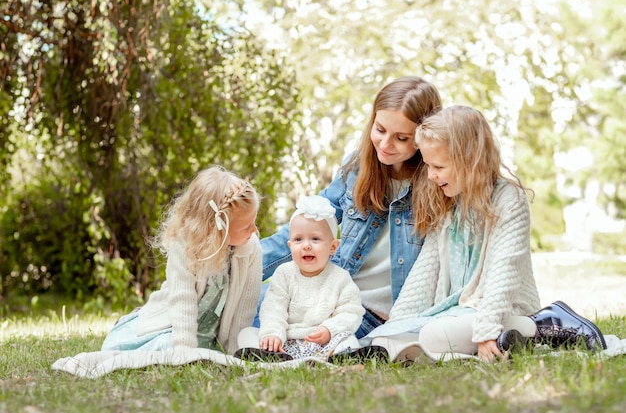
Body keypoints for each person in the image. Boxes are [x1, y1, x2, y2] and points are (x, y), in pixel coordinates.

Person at [359, 105, 606, 363]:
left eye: (439, 167)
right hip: (454, 312)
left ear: (469, 160)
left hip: (500, 309)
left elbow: (504, 271)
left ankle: (542, 324)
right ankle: (506, 338)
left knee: (435, 337)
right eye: (429, 166)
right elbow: (426, 270)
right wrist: (397, 323)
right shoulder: (447, 201)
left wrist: (487, 331)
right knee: (385, 341)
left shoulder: (508, 199)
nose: (431, 176)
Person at [259, 76, 443, 339]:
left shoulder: (438, 183)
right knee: (255, 307)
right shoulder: (358, 169)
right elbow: (309, 223)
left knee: (269, 329)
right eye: (380, 130)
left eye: (401, 138)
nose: (386, 144)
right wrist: (242, 264)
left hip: (368, 314)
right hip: (325, 291)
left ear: (423, 137)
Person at [100, 166, 262, 354]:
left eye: (254, 221)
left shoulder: (251, 249)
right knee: (137, 349)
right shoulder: (185, 244)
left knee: (209, 355)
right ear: (217, 227)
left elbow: (245, 308)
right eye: (246, 226)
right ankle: (134, 321)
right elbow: (182, 298)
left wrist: (235, 353)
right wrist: (185, 351)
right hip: (175, 326)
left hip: (206, 335)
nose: (254, 230)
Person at [236, 196, 367, 361]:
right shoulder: (284, 274)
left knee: (348, 338)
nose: (306, 245)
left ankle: (342, 357)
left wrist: (329, 330)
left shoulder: (340, 278)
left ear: (333, 247)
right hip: (286, 343)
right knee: (247, 333)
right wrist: (273, 334)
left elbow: (351, 312)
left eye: (315, 239)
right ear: (290, 246)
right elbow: (273, 308)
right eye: (298, 239)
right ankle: (273, 356)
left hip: (324, 343)